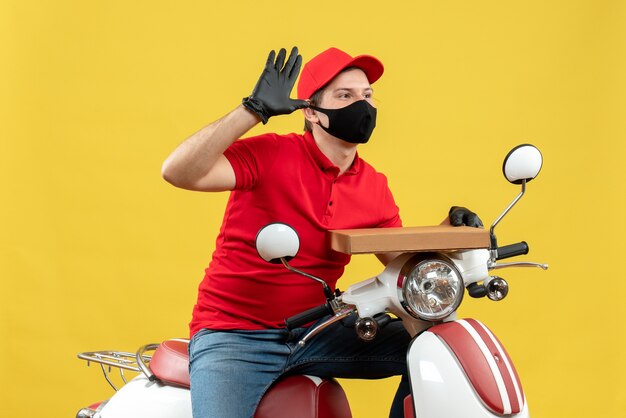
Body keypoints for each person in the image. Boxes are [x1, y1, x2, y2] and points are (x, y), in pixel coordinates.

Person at [161, 46, 482, 418]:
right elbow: (178, 171)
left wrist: (449, 234)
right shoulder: (271, 154)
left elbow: (404, 263)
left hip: (317, 331)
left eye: (367, 96)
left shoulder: (373, 185)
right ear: (311, 112)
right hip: (235, 336)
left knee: (436, 347)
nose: (361, 106)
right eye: (344, 96)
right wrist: (252, 111)